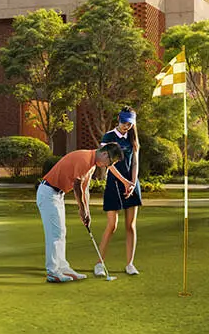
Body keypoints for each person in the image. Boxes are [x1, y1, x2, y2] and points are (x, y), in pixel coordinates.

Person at [35, 144, 127, 282]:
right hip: (48, 193)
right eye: (111, 162)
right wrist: (81, 209)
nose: (109, 165)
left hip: (57, 195)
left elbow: (85, 190)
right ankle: (53, 272)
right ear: (105, 154)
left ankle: (63, 268)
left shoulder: (91, 165)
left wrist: (87, 212)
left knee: (61, 232)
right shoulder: (84, 159)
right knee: (55, 234)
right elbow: (77, 185)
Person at [97, 108, 144, 276]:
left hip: (131, 184)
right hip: (114, 184)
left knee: (131, 226)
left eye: (130, 123)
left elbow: (135, 163)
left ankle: (130, 264)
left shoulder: (133, 138)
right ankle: (99, 264)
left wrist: (132, 183)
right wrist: (124, 182)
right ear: (119, 119)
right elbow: (109, 163)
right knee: (112, 225)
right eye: (125, 123)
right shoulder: (108, 137)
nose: (127, 126)